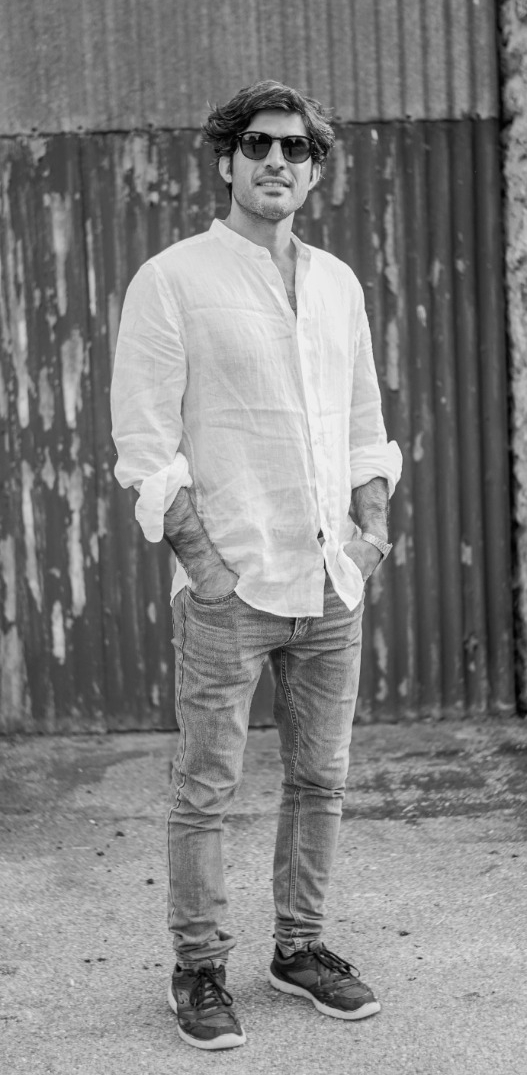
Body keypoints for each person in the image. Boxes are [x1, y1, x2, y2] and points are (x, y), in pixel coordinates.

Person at [111, 79, 402, 1051]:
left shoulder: (337, 284)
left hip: (330, 583)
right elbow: (145, 444)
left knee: (321, 781)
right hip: (230, 589)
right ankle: (197, 968)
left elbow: (363, 425)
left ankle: (299, 950)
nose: (277, 161)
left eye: (296, 148)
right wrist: (206, 565)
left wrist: (368, 533)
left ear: (314, 170)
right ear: (227, 160)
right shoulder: (172, 279)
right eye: (258, 145)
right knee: (205, 788)